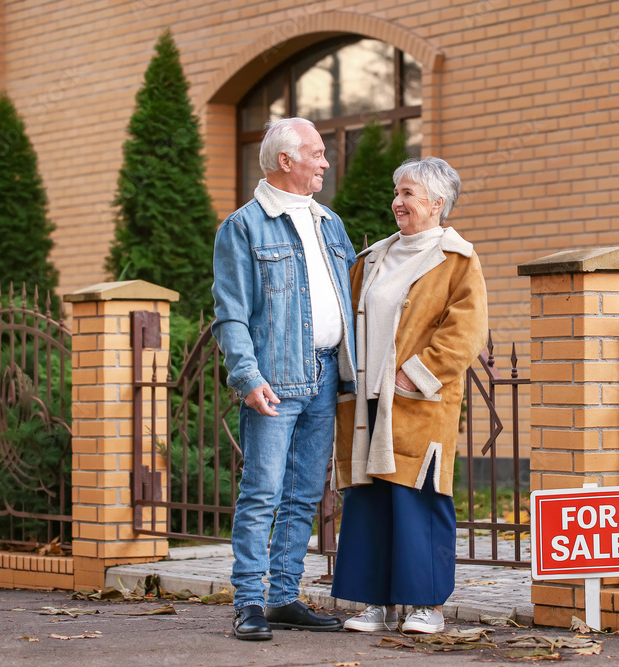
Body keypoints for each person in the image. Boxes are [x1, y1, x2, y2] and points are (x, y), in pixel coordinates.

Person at [211, 117, 356, 641]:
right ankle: (249, 600)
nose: (325, 161)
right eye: (316, 153)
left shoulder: (328, 223)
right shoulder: (243, 226)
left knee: (303, 497)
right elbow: (230, 313)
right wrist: (246, 376)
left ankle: (283, 598)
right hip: (275, 381)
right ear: (286, 161)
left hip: (325, 376)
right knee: (263, 493)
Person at [330, 156, 488, 634]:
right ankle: (375, 604)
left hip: (417, 400)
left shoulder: (457, 258)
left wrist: (413, 375)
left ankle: (427, 607)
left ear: (438, 203)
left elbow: (467, 331)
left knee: (416, 499)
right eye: (397, 193)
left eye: (409, 194)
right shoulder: (373, 258)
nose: (397, 202)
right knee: (369, 501)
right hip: (365, 399)